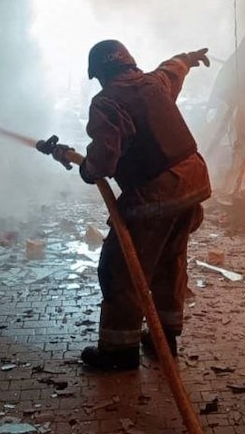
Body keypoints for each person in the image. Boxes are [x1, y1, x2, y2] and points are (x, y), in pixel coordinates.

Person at [76, 39, 212, 371]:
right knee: (170, 262)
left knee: (120, 269)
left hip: (156, 194)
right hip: (193, 182)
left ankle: (118, 352)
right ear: (129, 64)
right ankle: (165, 339)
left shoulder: (107, 102)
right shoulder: (154, 83)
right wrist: (188, 57)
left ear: (101, 73)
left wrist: (87, 169)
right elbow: (173, 69)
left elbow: (104, 159)